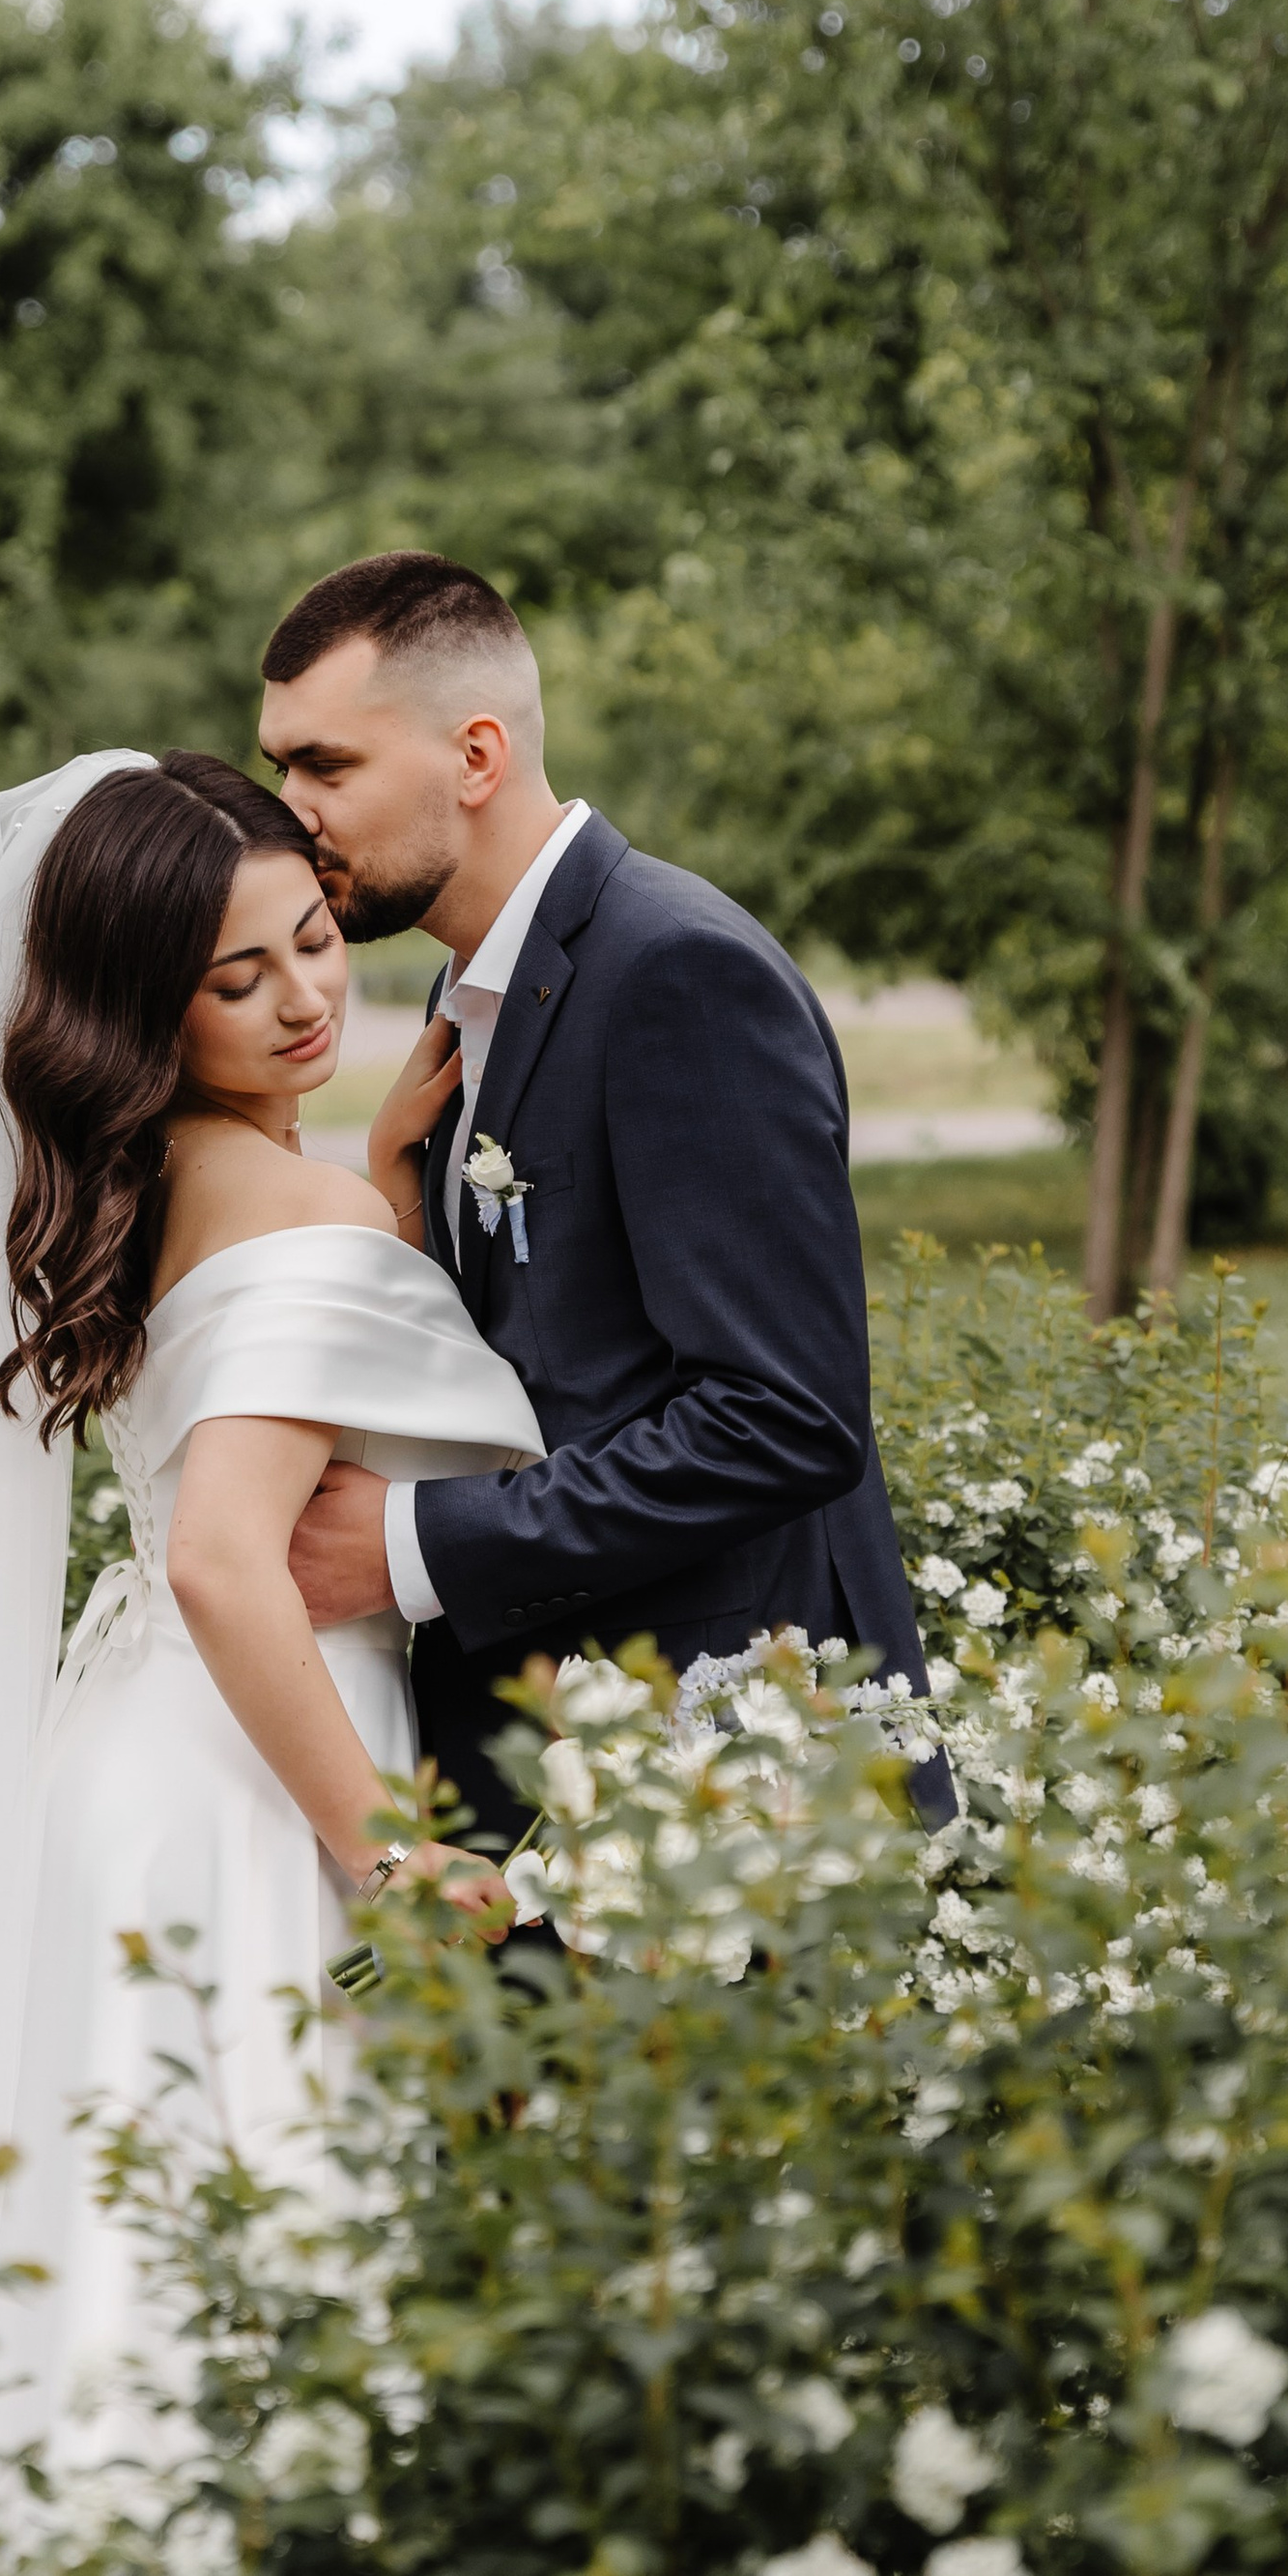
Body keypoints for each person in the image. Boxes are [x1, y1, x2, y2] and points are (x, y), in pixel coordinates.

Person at [0, 750, 538, 2554]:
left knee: (100, 2277)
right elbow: (232, 1564)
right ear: (142, 1013)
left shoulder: (159, 1184)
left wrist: (377, 1189)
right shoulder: (296, 1215)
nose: (308, 997)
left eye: (315, 940)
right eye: (238, 981)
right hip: (254, 1788)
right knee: (231, 2277)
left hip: (140, 1768)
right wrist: (382, 1852)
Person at [258, 551, 950, 1876]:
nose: (293, 814)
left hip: (725, 1780)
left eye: (326, 767)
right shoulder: (476, 985)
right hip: (557, 1770)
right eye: (281, 767)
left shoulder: (675, 972)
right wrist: (402, 1209)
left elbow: (784, 1416)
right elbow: (565, 1351)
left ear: (475, 754)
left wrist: (410, 1544)